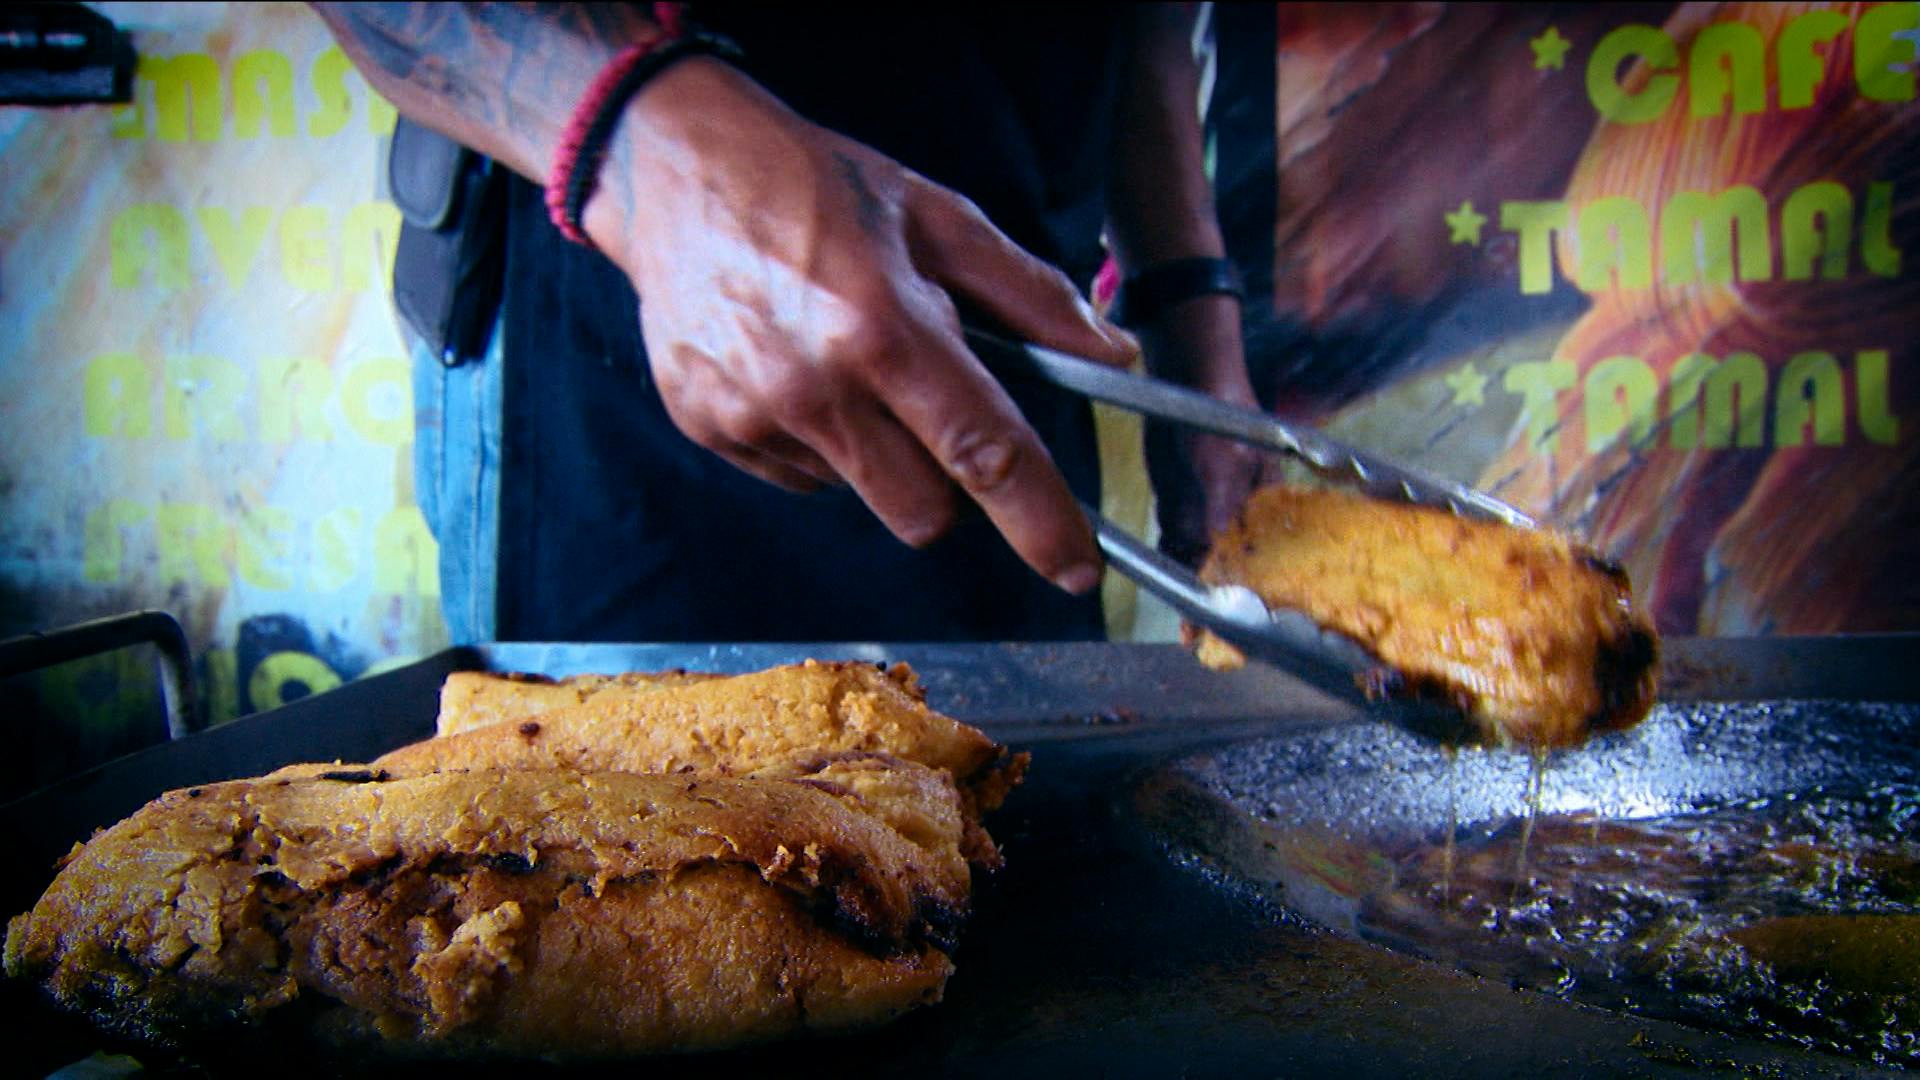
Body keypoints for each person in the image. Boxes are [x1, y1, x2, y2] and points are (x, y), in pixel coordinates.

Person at [314, 3, 1262, 643]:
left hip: (1003, 343)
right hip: (612, 330)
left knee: (1023, 867)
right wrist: (652, 153)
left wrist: (1191, 319)